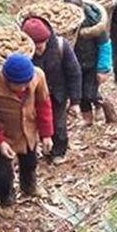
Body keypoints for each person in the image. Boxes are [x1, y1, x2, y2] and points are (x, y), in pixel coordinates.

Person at [0, 53, 53, 206]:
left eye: (25, 84)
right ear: (7, 79)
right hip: (2, 135)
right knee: (2, 174)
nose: (23, 88)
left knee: (30, 163)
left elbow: (43, 104)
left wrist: (46, 134)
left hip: (27, 132)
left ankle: (29, 186)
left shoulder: (38, 76)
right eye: (18, 85)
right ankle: (7, 200)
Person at [20, 16, 82, 163]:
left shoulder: (61, 46)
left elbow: (74, 72)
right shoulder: (22, 53)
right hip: (32, 95)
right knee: (31, 124)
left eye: (42, 45)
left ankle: (58, 151)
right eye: (36, 46)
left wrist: (75, 101)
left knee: (58, 124)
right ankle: (34, 152)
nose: (40, 49)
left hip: (57, 92)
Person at [63, 0, 117, 126]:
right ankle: (88, 119)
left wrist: (103, 69)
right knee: (79, 94)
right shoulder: (64, 25)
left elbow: (104, 45)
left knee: (90, 93)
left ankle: (103, 105)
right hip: (74, 66)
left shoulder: (93, 22)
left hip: (91, 63)